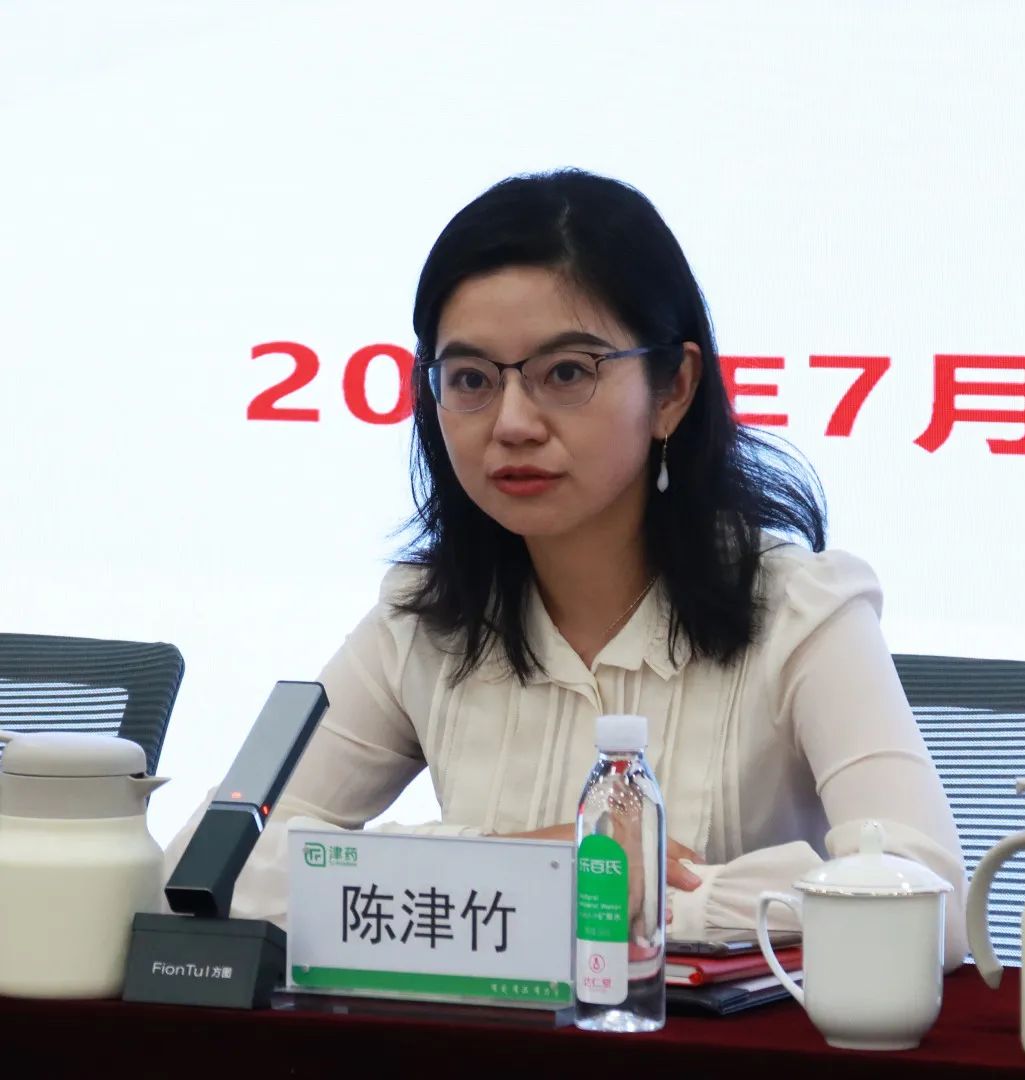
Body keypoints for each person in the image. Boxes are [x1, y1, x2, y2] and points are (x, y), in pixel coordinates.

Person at [164, 168, 968, 969]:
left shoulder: (800, 610)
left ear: (673, 389)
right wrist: (535, 867)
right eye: (471, 380)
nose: (512, 423)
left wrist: (651, 896)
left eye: (567, 373)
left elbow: (931, 902)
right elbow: (202, 868)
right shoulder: (422, 618)